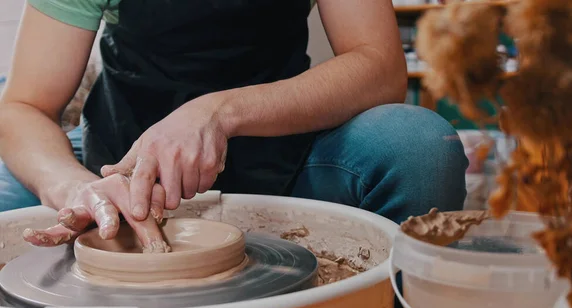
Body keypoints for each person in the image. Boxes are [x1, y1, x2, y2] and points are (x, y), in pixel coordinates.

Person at [0, 0, 468, 251]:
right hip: (125, 167)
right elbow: (23, 106)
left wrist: (218, 113)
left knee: (421, 147)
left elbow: (381, 65)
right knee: (16, 192)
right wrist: (73, 186)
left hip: (284, 153)